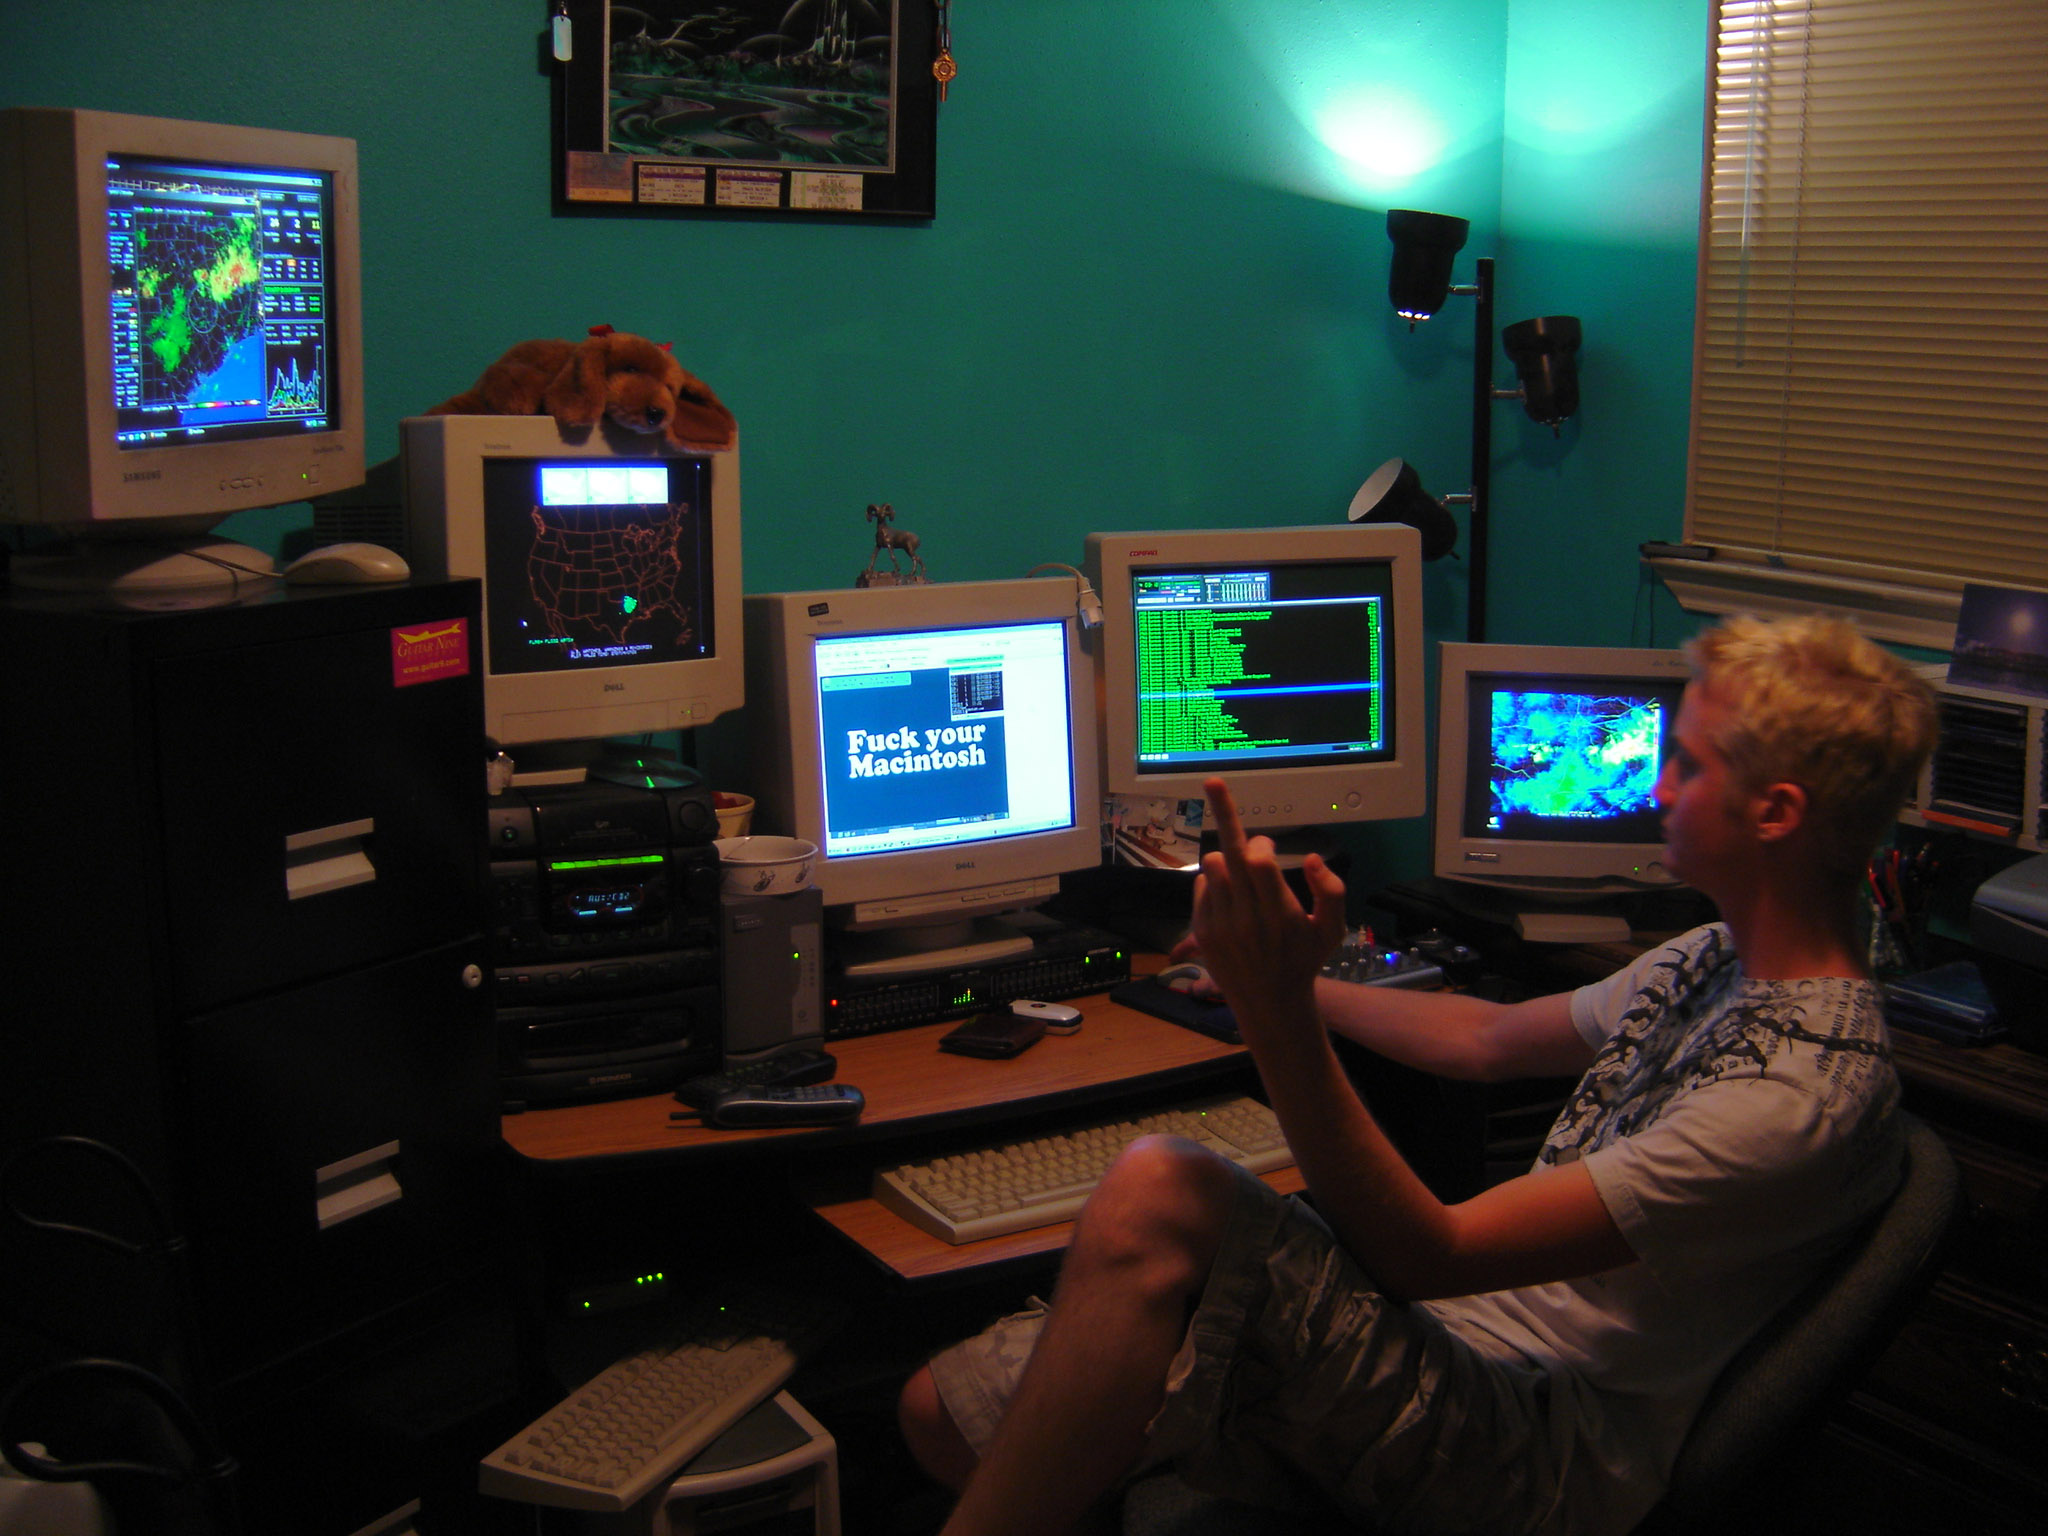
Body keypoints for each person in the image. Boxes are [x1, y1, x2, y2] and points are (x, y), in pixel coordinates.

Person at [896, 613, 1939, 1536]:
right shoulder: (1713, 957)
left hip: (1535, 1456)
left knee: (1160, 1188)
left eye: (1691, 766)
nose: (1657, 786)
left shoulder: (1793, 1101)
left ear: (1774, 813)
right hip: (1464, 1343)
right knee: (944, 1414)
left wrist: (1275, 1012)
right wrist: (1292, 990)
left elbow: (1426, 1254)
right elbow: (1485, 1038)